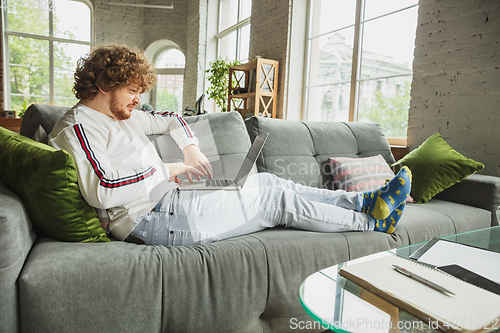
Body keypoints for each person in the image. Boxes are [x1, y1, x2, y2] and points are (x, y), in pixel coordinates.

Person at [48, 44, 412, 246]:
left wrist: (190, 148)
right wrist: (169, 169)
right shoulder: (79, 127)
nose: (137, 101)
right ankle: (371, 224)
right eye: (132, 91)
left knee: (272, 183)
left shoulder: (121, 116)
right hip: (148, 221)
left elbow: (174, 120)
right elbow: (104, 189)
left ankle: (366, 201)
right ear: (102, 82)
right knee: (275, 201)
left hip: (168, 203)